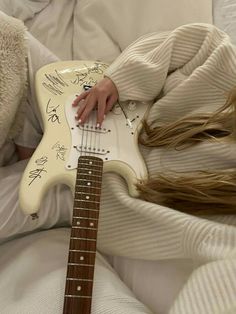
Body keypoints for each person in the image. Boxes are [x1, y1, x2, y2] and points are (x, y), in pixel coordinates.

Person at [1, 10, 236, 313]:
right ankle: (28, 137)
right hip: (89, 104)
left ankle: (27, 140)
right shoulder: (228, 82)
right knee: (7, 35)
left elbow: (218, 285)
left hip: (86, 193)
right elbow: (200, 40)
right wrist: (119, 81)